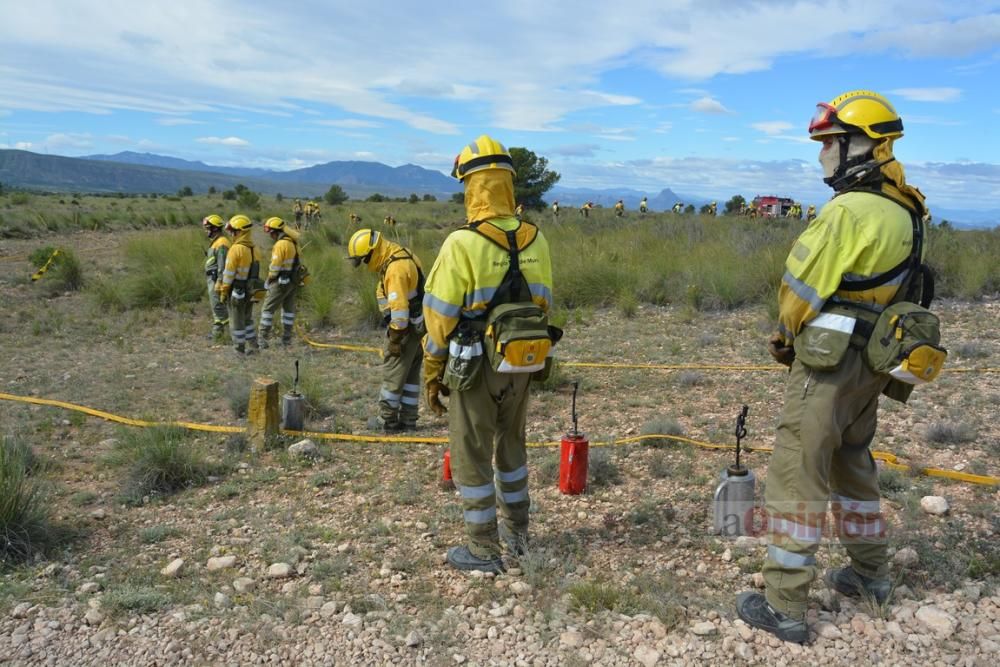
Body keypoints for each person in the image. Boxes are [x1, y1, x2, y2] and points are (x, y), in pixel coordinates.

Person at [735, 90, 929, 644]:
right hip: (874, 363)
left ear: (865, 145)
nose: (823, 156)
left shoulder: (848, 210)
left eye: (830, 144)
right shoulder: (909, 208)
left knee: (798, 469)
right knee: (853, 464)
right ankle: (871, 574)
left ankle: (785, 605)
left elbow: (798, 292)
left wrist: (783, 337)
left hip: (828, 363)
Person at [422, 135, 554, 573]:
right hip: (523, 362)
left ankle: (482, 549)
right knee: (511, 446)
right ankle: (519, 537)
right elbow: (543, 304)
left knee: (472, 452)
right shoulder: (538, 239)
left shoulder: (462, 243)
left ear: (472, 186)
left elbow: (439, 316)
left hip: (474, 367)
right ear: (507, 184)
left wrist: (432, 371)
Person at [347, 229, 425, 431]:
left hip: (404, 330)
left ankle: (387, 421)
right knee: (410, 375)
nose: (365, 265)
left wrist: (395, 340)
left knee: (394, 371)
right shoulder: (400, 253)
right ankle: (408, 420)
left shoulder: (395, 269)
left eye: (364, 260)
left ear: (372, 252)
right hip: (417, 326)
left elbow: (399, 313)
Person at [218, 214, 262, 355]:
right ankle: (254, 346)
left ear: (240, 231)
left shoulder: (236, 249)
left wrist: (224, 291)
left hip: (237, 291)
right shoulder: (254, 249)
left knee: (236, 322)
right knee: (247, 319)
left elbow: (228, 274)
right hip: (250, 291)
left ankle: (239, 350)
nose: (231, 234)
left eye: (233, 231)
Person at [258, 217, 301, 348]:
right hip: (292, 281)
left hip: (280, 282)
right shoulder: (292, 243)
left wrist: (269, 278)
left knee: (267, 309)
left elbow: (275, 266)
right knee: (288, 310)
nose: (270, 235)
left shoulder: (280, 244)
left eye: (270, 232)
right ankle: (286, 339)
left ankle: (261, 340)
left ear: (276, 232)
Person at [202, 214, 231, 340]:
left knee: (218, 306)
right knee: (216, 306)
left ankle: (233, 331)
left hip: (216, 280)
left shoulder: (222, 243)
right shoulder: (216, 242)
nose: (206, 230)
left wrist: (220, 281)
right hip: (212, 279)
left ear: (215, 228)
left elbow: (222, 265)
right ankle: (217, 333)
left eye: (208, 228)